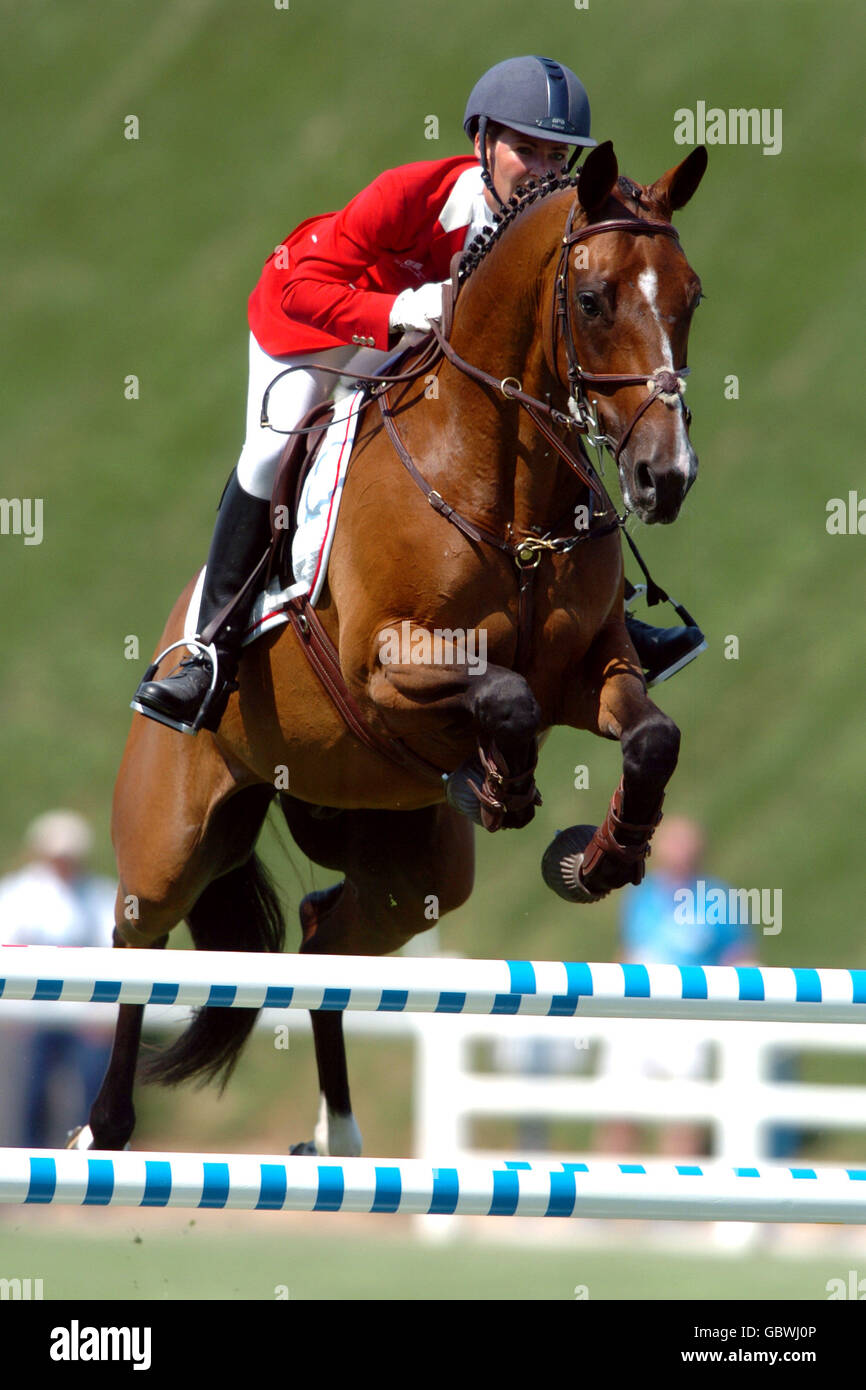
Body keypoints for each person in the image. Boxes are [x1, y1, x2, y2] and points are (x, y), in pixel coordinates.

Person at [132, 55, 705, 736]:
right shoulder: (416, 197)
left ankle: (611, 615)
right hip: (319, 323)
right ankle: (208, 647)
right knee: (272, 447)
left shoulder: (557, 228)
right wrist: (396, 310)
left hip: (425, 332)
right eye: (526, 150)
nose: (544, 171)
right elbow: (298, 287)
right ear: (482, 145)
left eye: (559, 156)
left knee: (547, 421)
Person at [595, 816, 755, 1158]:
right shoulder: (642, 895)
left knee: (683, 1117)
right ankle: (606, 1202)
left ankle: (674, 1208)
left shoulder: (716, 898)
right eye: (674, 843)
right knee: (618, 1112)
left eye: (687, 844)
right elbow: (627, 952)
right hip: (637, 1015)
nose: (681, 852)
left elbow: (740, 958)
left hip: (689, 1019)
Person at [0, 811, 116, 1147]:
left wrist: (103, 1012)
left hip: (84, 1010)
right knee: (28, 1087)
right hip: (32, 1010)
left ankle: (89, 1155)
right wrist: (14, 1008)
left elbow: (114, 954)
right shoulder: (17, 894)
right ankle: (29, 1161)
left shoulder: (98, 894)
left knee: (92, 1087)